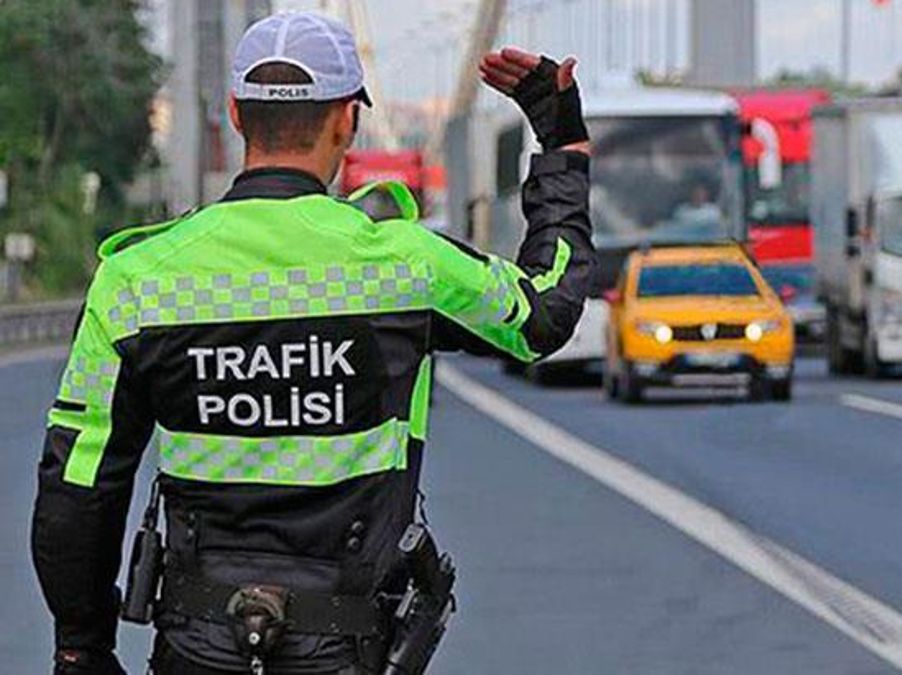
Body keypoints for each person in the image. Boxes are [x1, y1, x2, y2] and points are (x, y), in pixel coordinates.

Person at [31, 10, 593, 674]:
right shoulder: (406, 267)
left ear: (236, 115)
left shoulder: (136, 281)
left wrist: (82, 645)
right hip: (348, 649)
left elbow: (78, 486)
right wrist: (561, 146)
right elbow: (543, 314)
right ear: (347, 121)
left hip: (195, 645)